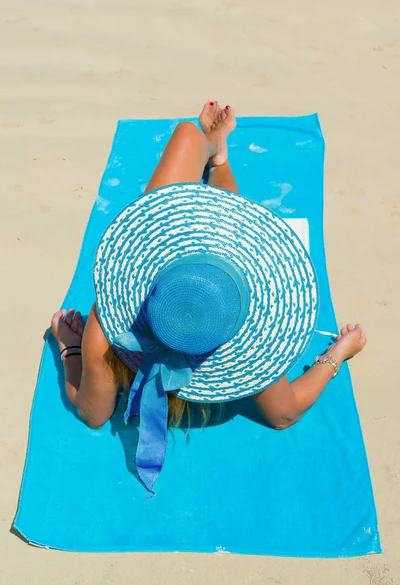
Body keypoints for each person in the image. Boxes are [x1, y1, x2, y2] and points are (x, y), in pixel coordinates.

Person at [51, 101, 366, 489]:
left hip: (174, 266)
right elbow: (284, 414)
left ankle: (214, 146)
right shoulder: (250, 346)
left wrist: (71, 350)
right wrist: (338, 353)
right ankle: (219, 158)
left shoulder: (108, 331)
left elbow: (93, 414)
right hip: (205, 270)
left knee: (186, 134)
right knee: (205, 173)